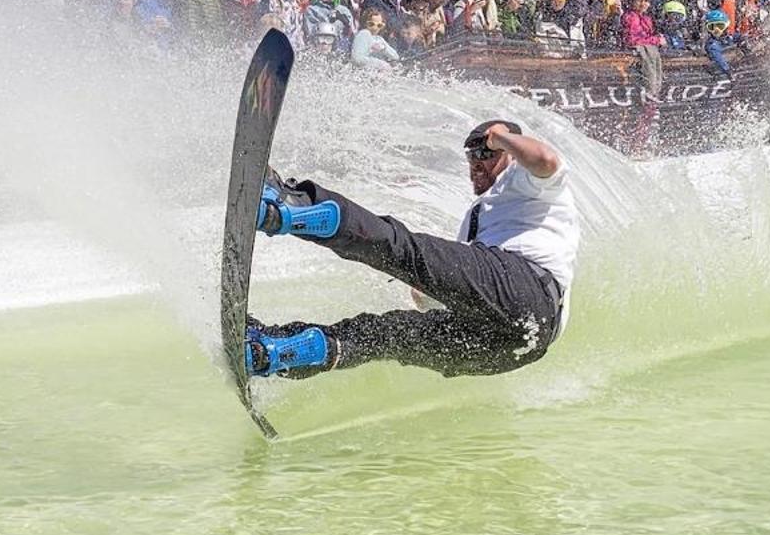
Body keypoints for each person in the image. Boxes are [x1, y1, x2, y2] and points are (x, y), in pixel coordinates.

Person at [244, 119, 577, 380]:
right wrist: (425, 291)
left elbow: (545, 159)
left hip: (529, 291)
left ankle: (289, 207)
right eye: (473, 155)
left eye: (487, 153)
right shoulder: (477, 222)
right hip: (520, 347)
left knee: (401, 248)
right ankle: (270, 350)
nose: (477, 161)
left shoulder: (524, 179)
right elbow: (462, 290)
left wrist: (501, 136)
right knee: (384, 335)